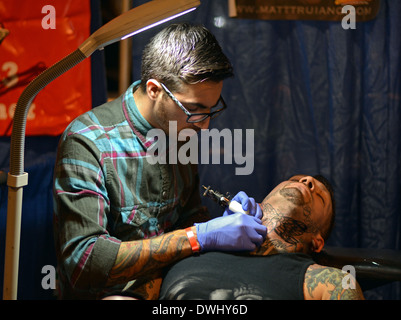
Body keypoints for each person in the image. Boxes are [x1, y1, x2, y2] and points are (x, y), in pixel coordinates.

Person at [52, 22, 266, 300]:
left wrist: (218, 224)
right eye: (194, 110)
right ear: (154, 89)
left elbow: (186, 215)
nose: (205, 126)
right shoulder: (88, 142)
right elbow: (85, 263)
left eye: (212, 109)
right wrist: (197, 236)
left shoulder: (179, 129)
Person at [159, 174, 365, 300]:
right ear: (258, 202)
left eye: (319, 195)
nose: (307, 180)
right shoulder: (192, 246)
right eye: (295, 180)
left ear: (318, 242)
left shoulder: (329, 283)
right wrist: (195, 237)